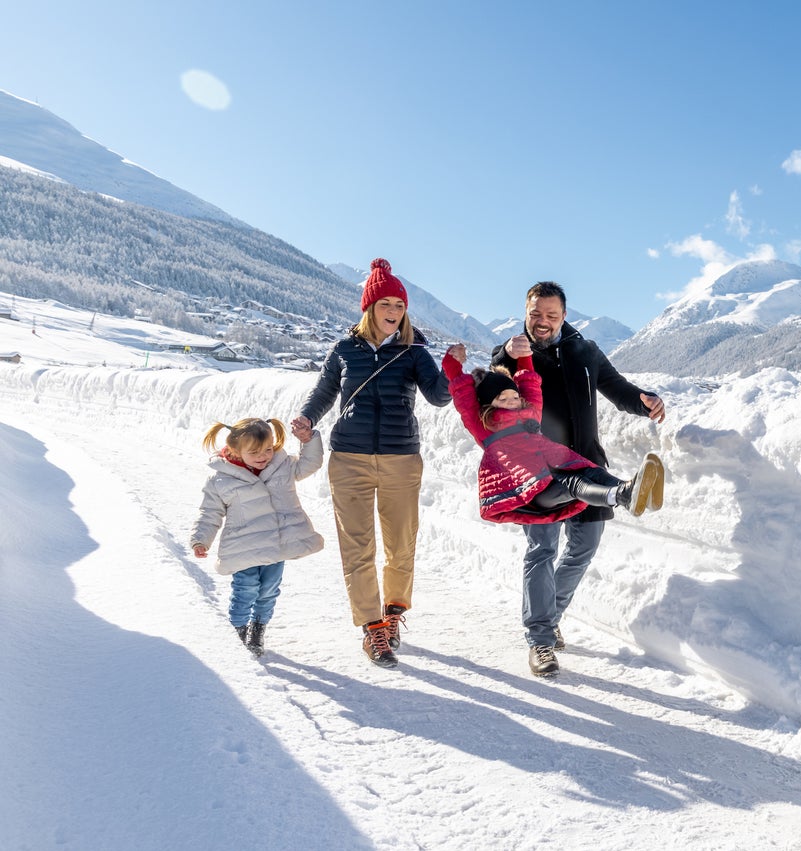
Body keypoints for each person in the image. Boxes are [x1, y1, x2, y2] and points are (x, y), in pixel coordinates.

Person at [491, 281, 666, 676]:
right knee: (542, 550)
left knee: (584, 546)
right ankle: (539, 640)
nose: (543, 322)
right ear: (526, 311)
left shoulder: (585, 351)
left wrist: (645, 400)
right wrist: (505, 353)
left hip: (585, 464)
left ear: (564, 315)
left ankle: (548, 617)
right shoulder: (515, 353)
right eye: (536, 314)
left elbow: (618, 389)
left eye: (551, 315)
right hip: (537, 470)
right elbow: (491, 383)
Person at [291, 258, 451, 669]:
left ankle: (393, 613)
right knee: (357, 546)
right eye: (386, 304)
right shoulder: (344, 349)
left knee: (401, 544)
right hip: (349, 459)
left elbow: (438, 396)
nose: (394, 312)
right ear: (370, 308)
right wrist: (308, 418)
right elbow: (325, 390)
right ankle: (371, 626)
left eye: (400, 305)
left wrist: (450, 369)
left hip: (400, 458)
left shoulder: (415, 352)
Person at [442, 342, 662, 524]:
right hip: (531, 489)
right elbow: (462, 393)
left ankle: (631, 492)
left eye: (514, 396)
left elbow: (528, 380)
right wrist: (452, 361)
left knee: (591, 470)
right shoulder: (484, 424)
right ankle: (619, 496)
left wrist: (525, 354)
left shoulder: (530, 413)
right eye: (502, 399)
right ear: (488, 404)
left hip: (552, 468)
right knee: (574, 482)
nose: (511, 401)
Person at [190, 417, 324, 658]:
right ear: (234, 450)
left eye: (268, 449)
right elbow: (210, 513)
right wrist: (201, 540)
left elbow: (309, 464)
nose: (264, 456)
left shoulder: (282, 465)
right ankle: (238, 631)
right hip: (243, 547)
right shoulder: (221, 479)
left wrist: (309, 441)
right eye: (254, 452)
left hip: (276, 545)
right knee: (246, 589)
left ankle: (258, 629)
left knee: (269, 590)